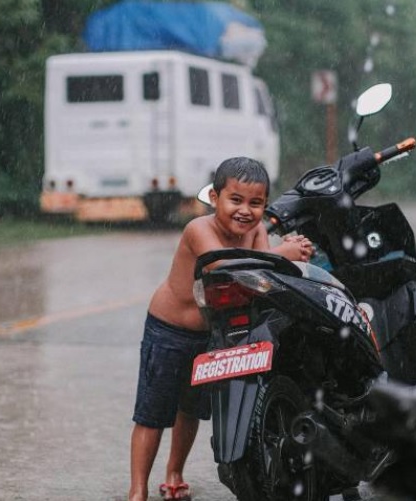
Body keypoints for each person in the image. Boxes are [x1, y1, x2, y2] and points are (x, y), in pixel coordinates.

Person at [128, 157, 312, 501]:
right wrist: (283, 253)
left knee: (192, 408)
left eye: (255, 203)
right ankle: (137, 490)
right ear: (214, 198)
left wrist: (294, 255)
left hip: (212, 335)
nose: (245, 211)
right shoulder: (199, 230)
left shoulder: (257, 232)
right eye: (236, 200)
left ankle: (174, 473)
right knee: (152, 413)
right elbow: (229, 268)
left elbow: (262, 281)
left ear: (265, 205)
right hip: (169, 330)